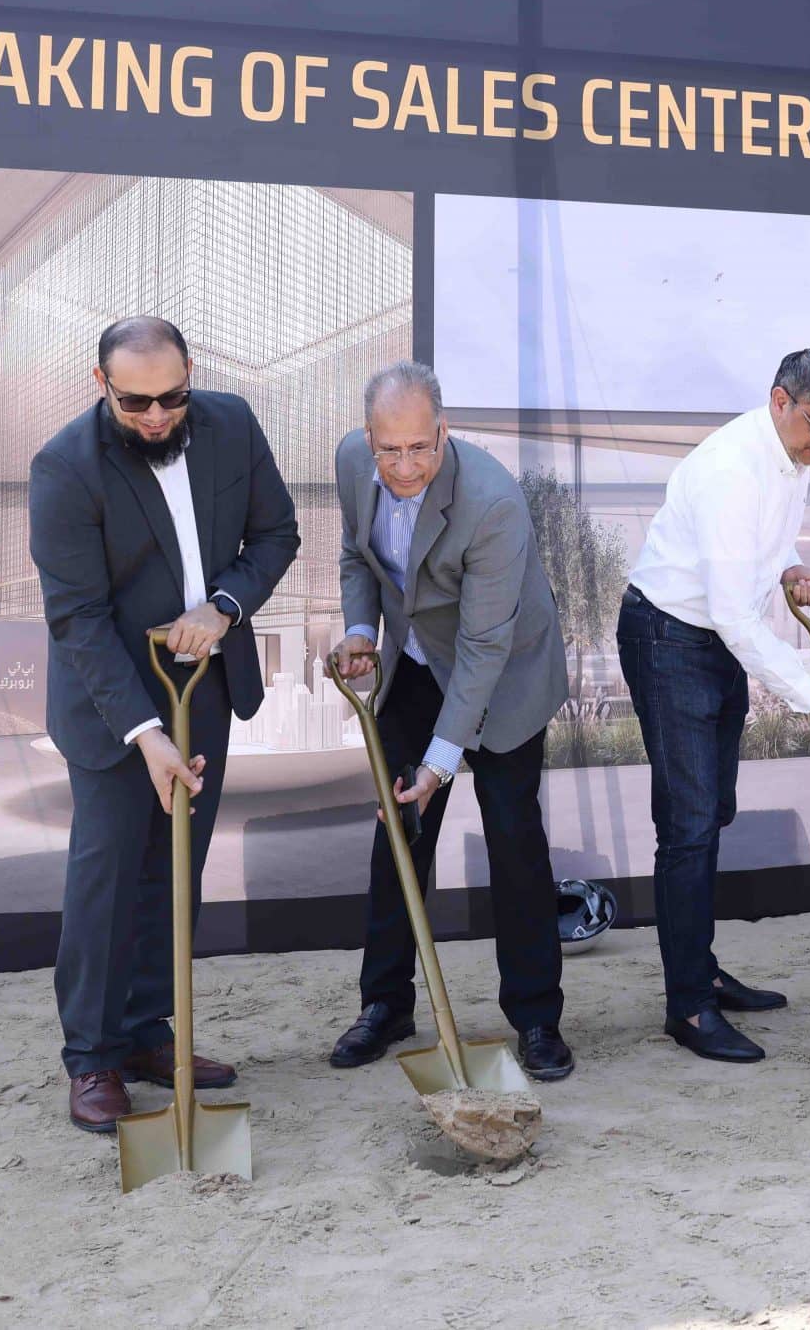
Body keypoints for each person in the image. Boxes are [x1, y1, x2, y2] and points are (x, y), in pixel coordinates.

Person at [28, 317, 299, 1134]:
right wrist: (145, 735)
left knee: (174, 869)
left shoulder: (232, 423)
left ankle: (148, 1033)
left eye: (172, 398)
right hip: (111, 701)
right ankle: (93, 1056)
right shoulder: (64, 467)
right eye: (136, 402)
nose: (156, 417)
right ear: (101, 384)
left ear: (191, 375)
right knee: (106, 878)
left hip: (204, 683)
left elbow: (276, 533)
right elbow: (77, 620)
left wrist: (223, 608)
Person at [327, 362, 576, 1082]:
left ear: (444, 430)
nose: (406, 467)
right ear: (368, 438)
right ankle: (386, 1004)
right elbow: (356, 555)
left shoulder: (493, 502)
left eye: (420, 448)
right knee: (398, 830)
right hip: (416, 659)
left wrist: (440, 764)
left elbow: (482, 648)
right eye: (390, 450)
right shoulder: (353, 462)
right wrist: (359, 628)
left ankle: (536, 1017)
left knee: (513, 836)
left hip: (503, 669)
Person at [616, 348, 810, 1063]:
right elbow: (732, 613)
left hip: (711, 637)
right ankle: (689, 1008)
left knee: (712, 810)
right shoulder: (731, 469)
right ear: (780, 400)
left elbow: (764, 542)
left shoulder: (789, 456)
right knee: (688, 826)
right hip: (669, 637)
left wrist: (788, 564)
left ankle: (702, 970)